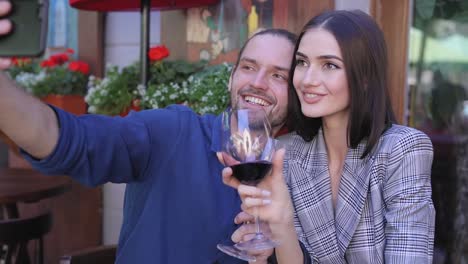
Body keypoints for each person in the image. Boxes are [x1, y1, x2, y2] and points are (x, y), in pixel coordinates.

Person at [0, 0, 298, 261]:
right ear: (232, 77)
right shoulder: (174, 132)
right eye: (248, 67)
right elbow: (71, 141)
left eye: (277, 75)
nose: (258, 82)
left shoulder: (301, 174)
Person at [223, 9, 436, 263]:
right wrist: (280, 223)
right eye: (302, 62)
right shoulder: (285, 153)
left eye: (330, 65)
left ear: (365, 77)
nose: (307, 79)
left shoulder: (403, 149)